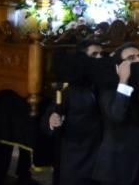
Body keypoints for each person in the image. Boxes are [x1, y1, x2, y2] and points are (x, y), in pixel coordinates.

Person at [44, 40, 104, 185]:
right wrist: (51, 120)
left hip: (100, 161)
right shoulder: (71, 88)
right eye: (94, 54)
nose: (100, 58)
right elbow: (53, 112)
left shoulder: (104, 82)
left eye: (101, 54)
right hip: (77, 160)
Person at [92, 43, 139, 185]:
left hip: (137, 165)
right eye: (131, 58)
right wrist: (123, 81)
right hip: (115, 168)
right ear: (118, 67)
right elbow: (116, 116)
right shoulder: (108, 91)